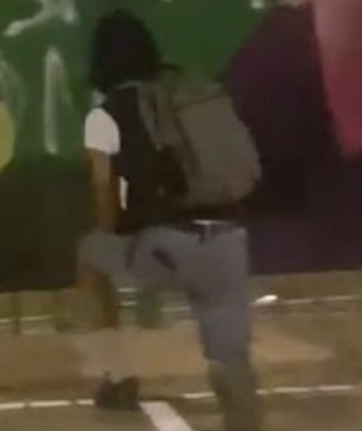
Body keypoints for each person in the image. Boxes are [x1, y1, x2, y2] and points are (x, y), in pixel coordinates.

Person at [75, 9, 262, 431]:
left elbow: (105, 201)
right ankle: (241, 410)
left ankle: (118, 375)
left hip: (165, 248)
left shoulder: (104, 117)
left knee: (90, 253)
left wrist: (111, 243)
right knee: (227, 343)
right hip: (229, 239)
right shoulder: (188, 97)